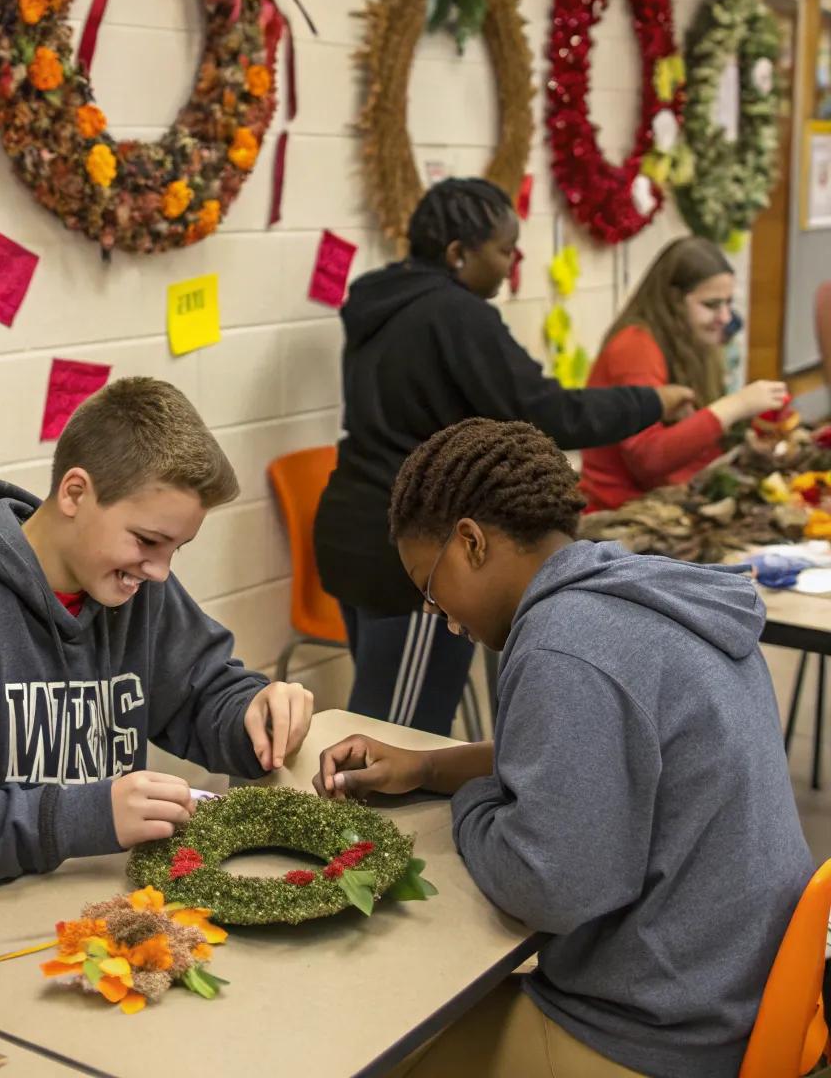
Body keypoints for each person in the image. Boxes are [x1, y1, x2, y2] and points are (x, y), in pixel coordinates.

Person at [315, 417, 812, 1078]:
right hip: (746, 996)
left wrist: (470, 803)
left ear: (470, 542)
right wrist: (430, 766)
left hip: (658, 1039)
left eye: (431, 590)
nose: (443, 617)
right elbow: (600, 756)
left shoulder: (562, 641)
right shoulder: (632, 590)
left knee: (372, 1045)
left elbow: (548, 886)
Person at [0, 377, 314, 922]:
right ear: (75, 493)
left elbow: (203, 694)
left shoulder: (136, 586)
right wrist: (73, 818)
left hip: (81, 914)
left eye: (177, 548)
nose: (160, 570)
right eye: (148, 541)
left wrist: (252, 711)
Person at [313, 177, 694, 736]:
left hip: (352, 526)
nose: (512, 262)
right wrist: (651, 400)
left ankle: (356, 824)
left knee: (382, 718)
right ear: (457, 253)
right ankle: (358, 830)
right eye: (504, 250)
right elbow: (546, 413)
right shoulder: (455, 313)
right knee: (396, 739)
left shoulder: (378, 297)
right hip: (413, 548)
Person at [582, 237, 788, 510]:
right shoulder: (635, 345)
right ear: (673, 301)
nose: (725, 317)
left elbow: (697, 453)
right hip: (623, 518)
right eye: (711, 305)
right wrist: (735, 406)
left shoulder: (693, 340)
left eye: (728, 303)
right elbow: (648, 459)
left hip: (671, 503)